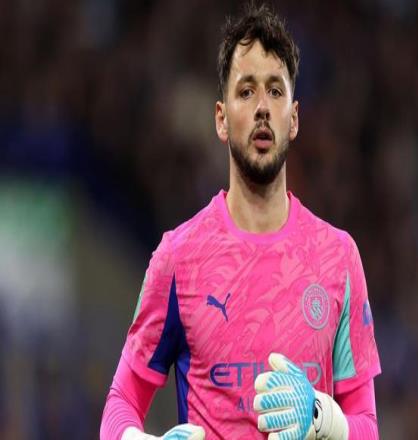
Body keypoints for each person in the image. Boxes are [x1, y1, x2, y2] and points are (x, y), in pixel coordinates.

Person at [100, 3, 381, 440]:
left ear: (294, 119)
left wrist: (324, 419)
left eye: (275, 91)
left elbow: (367, 425)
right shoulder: (178, 257)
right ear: (221, 118)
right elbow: (120, 403)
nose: (262, 107)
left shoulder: (339, 258)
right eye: (246, 91)